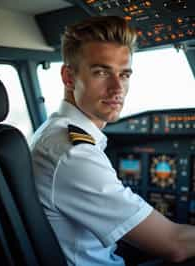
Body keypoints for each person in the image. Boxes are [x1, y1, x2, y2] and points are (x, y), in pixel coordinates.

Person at [30, 16, 195, 266]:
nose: (117, 88)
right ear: (68, 77)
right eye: (101, 72)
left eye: (124, 74)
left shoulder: (53, 132)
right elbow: (175, 245)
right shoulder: (73, 153)